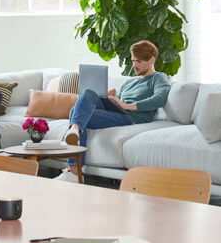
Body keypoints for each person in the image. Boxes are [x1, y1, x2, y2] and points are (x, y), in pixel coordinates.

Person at [55, 40, 171, 182]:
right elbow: (119, 100)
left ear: (152, 60)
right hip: (117, 111)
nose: (134, 65)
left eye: (139, 61)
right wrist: (112, 100)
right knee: (88, 93)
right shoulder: (129, 82)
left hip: (131, 117)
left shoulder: (158, 78)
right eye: (133, 61)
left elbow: (159, 99)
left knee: (75, 113)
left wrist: (127, 106)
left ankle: (74, 171)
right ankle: (75, 130)